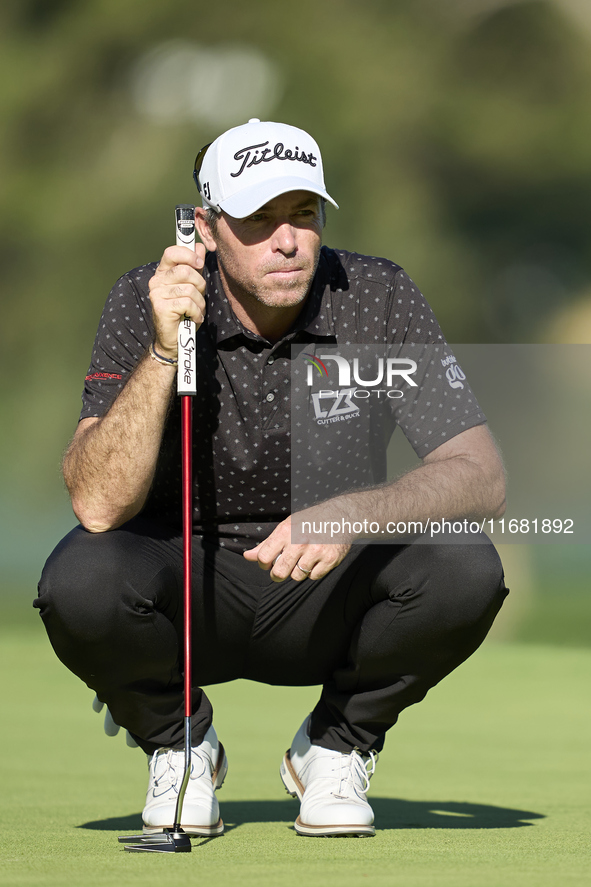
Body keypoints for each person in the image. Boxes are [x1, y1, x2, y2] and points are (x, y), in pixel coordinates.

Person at [35, 118, 508, 839]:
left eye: (303, 215)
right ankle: (178, 743)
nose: (287, 240)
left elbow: (480, 474)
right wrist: (166, 351)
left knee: (464, 564)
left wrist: (351, 513)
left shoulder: (374, 293)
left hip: (325, 587)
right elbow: (98, 502)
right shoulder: (145, 296)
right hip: (185, 593)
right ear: (207, 226)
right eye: (258, 219)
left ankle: (333, 747)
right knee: (80, 578)